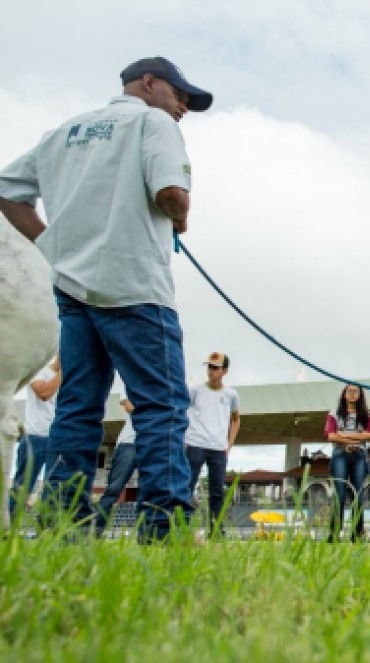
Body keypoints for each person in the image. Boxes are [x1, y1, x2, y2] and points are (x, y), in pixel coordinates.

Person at [0, 57, 213, 540]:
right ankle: (165, 525)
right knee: (161, 406)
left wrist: (51, 246)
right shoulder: (152, 122)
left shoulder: (64, 131)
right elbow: (171, 194)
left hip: (74, 288)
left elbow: (7, 191)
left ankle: (64, 525)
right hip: (136, 285)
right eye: (180, 94)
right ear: (148, 83)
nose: (183, 106)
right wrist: (177, 216)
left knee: (77, 408)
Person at [185, 352, 240, 536]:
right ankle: (182, 526)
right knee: (187, 486)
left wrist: (229, 444)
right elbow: (183, 412)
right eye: (209, 367)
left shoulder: (231, 394)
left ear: (225, 371)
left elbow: (236, 420)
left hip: (218, 448)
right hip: (195, 444)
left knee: (217, 492)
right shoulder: (195, 390)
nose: (211, 371)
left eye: (215, 368)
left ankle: (216, 531)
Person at [8, 356, 59, 519]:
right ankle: (8, 524)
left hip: (56, 438)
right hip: (35, 437)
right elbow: (44, 392)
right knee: (23, 486)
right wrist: (65, 372)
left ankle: (45, 526)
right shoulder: (38, 370)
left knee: (53, 487)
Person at [324, 384, 370, 543]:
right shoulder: (334, 413)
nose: (352, 394)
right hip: (340, 454)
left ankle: (357, 534)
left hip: (359, 455)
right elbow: (331, 436)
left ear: (360, 395)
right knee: (339, 496)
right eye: (349, 391)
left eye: (356, 392)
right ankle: (334, 534)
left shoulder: (366, 414)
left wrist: (343, 435)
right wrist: (357, 437)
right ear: (344, 394)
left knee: (358, 495)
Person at [96, 397, 138, 535]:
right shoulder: (139, 389)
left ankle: (149, 532)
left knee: (150, 491)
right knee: (114, 489)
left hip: (151, 445)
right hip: (129, 444)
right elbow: (127, 404)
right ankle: (96, 528)